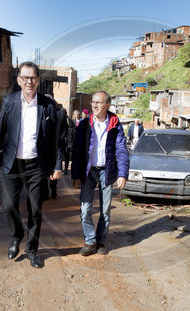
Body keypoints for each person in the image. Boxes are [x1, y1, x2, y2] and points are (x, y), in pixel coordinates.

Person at [0, 61, 61, 268]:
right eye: (25, 78)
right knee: (8, 206)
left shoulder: (47, 105)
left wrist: (57, 165)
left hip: (36, 166)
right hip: (12, 165)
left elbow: (56, 139)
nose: (29, 81)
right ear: (19, 80)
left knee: (35, 210)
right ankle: (17, 236)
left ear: (38, 80)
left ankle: (32, 249)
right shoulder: (8, 102)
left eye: (33, 77)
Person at [72, 91, 129, 256]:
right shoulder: (84, 124)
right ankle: (90, 242)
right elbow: (77, 152)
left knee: (105, 211)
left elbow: (121, 150)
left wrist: (122, 174)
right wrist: (76, 176)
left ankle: (101, 241)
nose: (94, 105)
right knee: (85, 209)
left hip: (107, 171)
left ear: (107, 105)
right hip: (88, 172)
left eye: (98, 102)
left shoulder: (114, 124)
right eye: (93, 102)